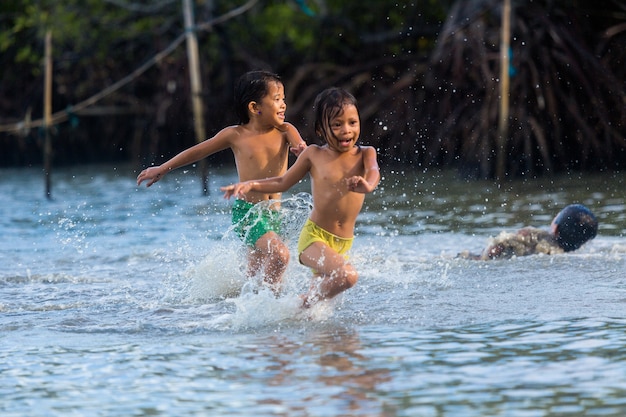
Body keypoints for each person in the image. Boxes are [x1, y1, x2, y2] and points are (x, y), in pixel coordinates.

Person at [137, 70, 307, 293]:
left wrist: (301, 150)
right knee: (280, 255)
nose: (283, 104)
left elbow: (301, 147)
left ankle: (250, 310)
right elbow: (197, 152)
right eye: (277, 99)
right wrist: (163, 168)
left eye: (283, 99)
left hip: (274, 213)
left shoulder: (286, 130)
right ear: (255, 108)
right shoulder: (235, 135)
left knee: (255, 275)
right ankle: (271, 305)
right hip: (248, 213)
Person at [221, 87, 380, 307]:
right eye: (337, 124)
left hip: (343, 242)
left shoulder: (366, 153)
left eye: (352, 123)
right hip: (314, 239)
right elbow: (282, 182)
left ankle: (281, 315)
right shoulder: (314, 154)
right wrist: (250, 184)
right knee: (347, 276)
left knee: (315, 314)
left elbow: (374, 171)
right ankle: (289, 304)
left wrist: (368, 185)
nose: (346, 130)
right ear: (321, 130)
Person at [460, 204, 598, 260]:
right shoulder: (574, 255)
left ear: (555, 227)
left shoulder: (535, 235)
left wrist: (482, 258)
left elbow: (500, 245)